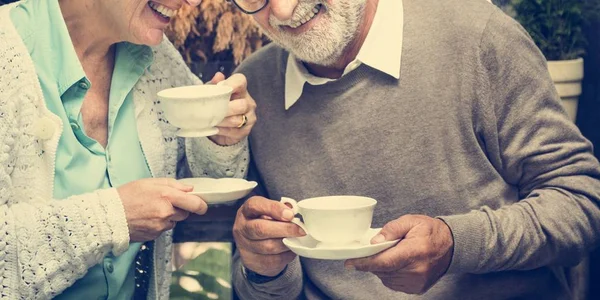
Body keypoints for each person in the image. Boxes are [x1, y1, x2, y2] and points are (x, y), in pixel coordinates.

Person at [229, 0, 600, 299]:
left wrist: (456, 244)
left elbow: (580, 203)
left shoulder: (476, 35)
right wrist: (263, 270)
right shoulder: (254, 89)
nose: (281, 10)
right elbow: (265, 285)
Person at [0, 0, 257, 298]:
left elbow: (205, 176)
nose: (194, 2)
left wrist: (220, 135)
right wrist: (111, 219)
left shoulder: (157, 57)